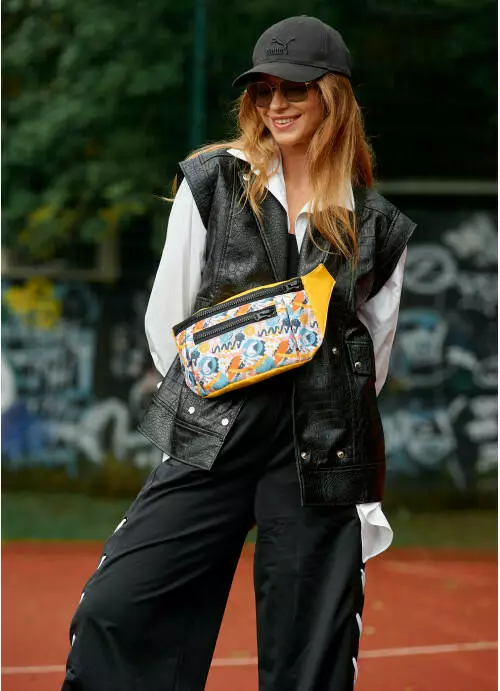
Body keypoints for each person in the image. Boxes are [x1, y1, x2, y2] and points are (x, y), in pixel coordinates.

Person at [62, 15, 416, 691]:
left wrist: (315, 411)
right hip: (215, 432)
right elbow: (167, 323)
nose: (276, 104)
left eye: (295, 89)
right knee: (118, 609)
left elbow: (371, 360)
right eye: (264, 90)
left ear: (333, 98)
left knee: (309, 659)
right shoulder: (212, 183)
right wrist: (224, 393)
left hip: (317, 451)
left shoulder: (377, 226)